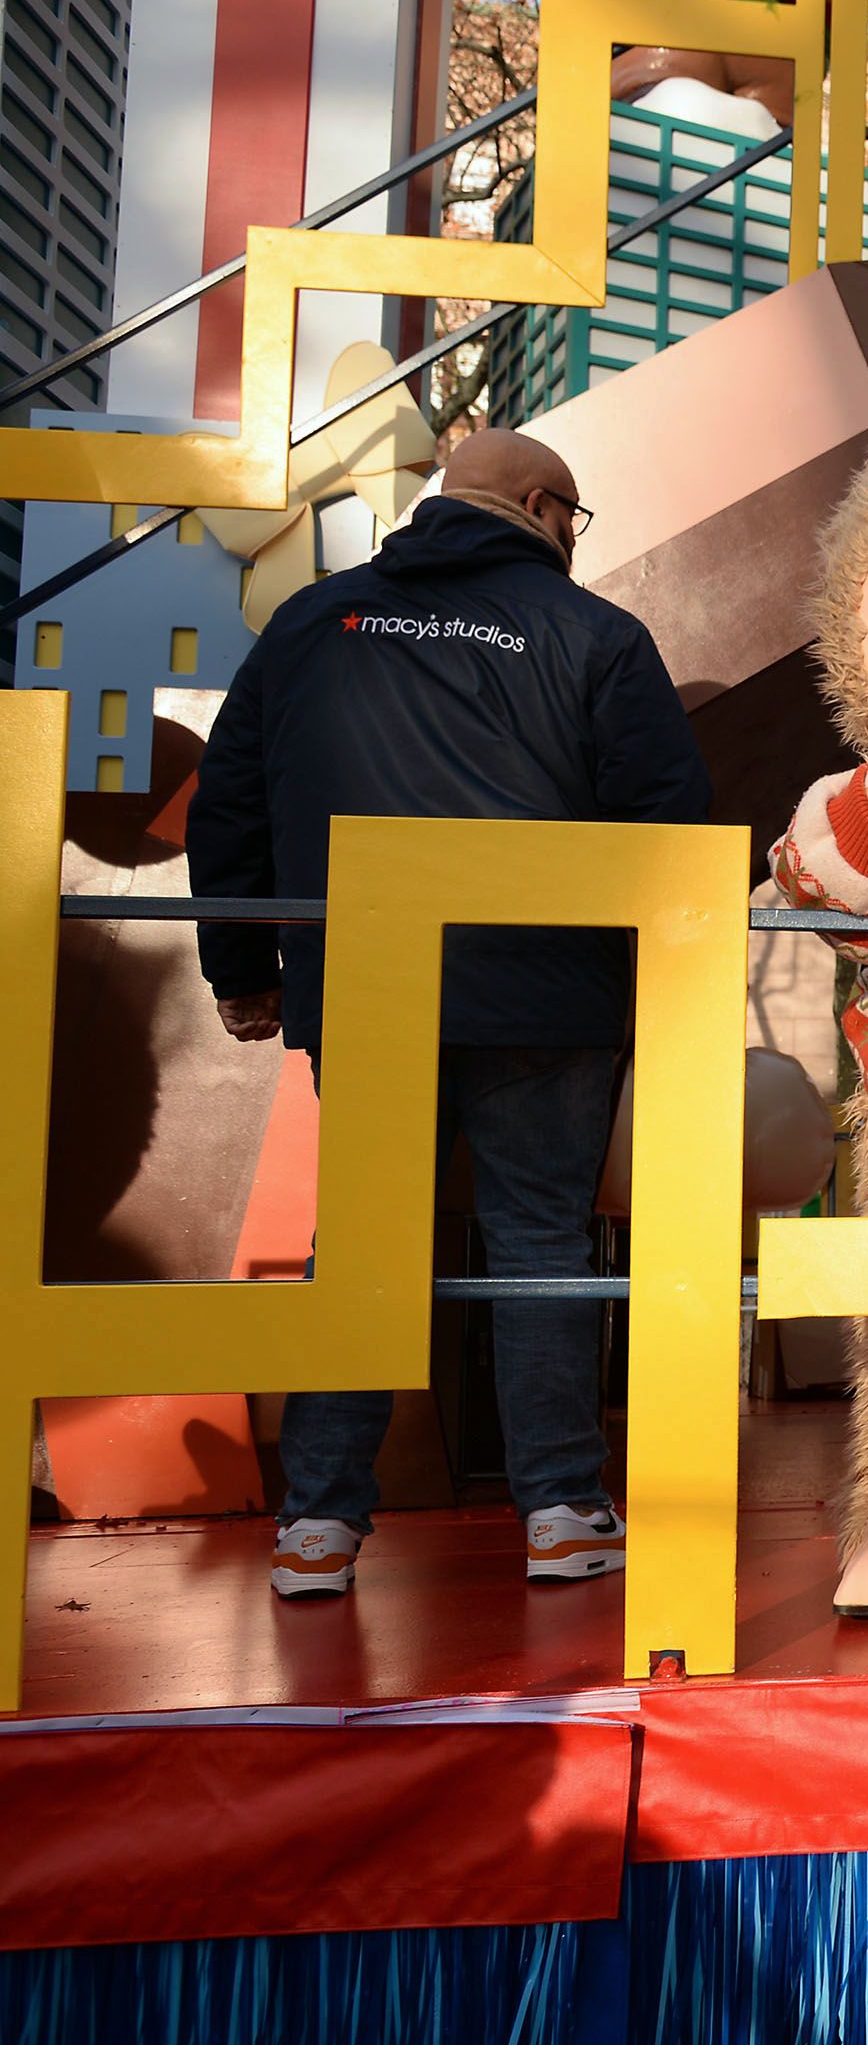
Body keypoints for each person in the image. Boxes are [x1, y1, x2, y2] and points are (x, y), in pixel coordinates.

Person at [186, 430, 713, 1600]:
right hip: (546, 993)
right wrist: (669, 989)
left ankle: (316, 1528)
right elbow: (670, 825)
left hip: (369, 984)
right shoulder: (596, 637)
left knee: (361, 1250)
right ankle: (563, 1514)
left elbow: (229, 804)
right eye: (572, 518)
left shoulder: (314, 623)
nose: (574, 540)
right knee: (539, 1247)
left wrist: (245, 968)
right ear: (539, 505)